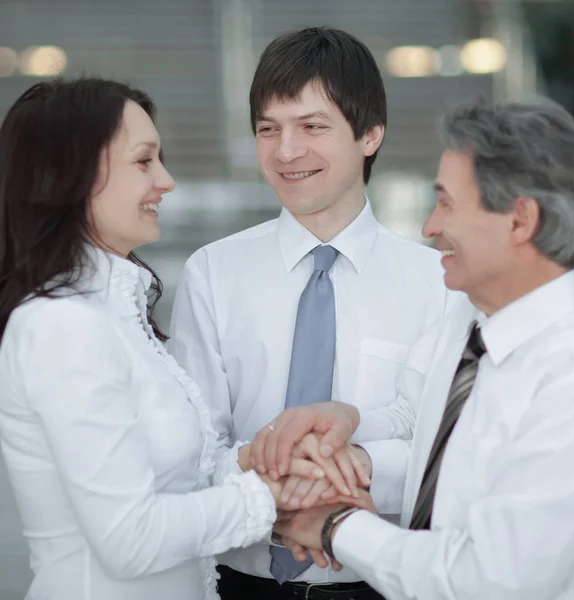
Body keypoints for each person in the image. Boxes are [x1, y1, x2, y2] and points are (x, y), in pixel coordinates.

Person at [0, 77, 355, 600]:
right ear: (73, 173)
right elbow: (129, 538)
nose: (165, 181)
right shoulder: (62, 325)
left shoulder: (117, 314)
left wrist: (266, 459)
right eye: (144, 161)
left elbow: (179, 481)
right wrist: (273, 499)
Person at [266, 96, 574, 599]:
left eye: (446, 202)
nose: (429, 227)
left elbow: (488, 582)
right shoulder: (469, 318)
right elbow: (421, 427)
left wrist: (336, 524)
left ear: (520, 221)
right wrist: (350, 432)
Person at [168, 26, 454, 600]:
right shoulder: (213, 272)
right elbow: (192, 447)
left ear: (370, 134)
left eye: (312, 126)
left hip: (378, 583)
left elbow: (439, 445)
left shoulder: (439, 284)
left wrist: (353, 466)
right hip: (235, 581)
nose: (286, 151)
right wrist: (273, 486)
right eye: (268, 129)